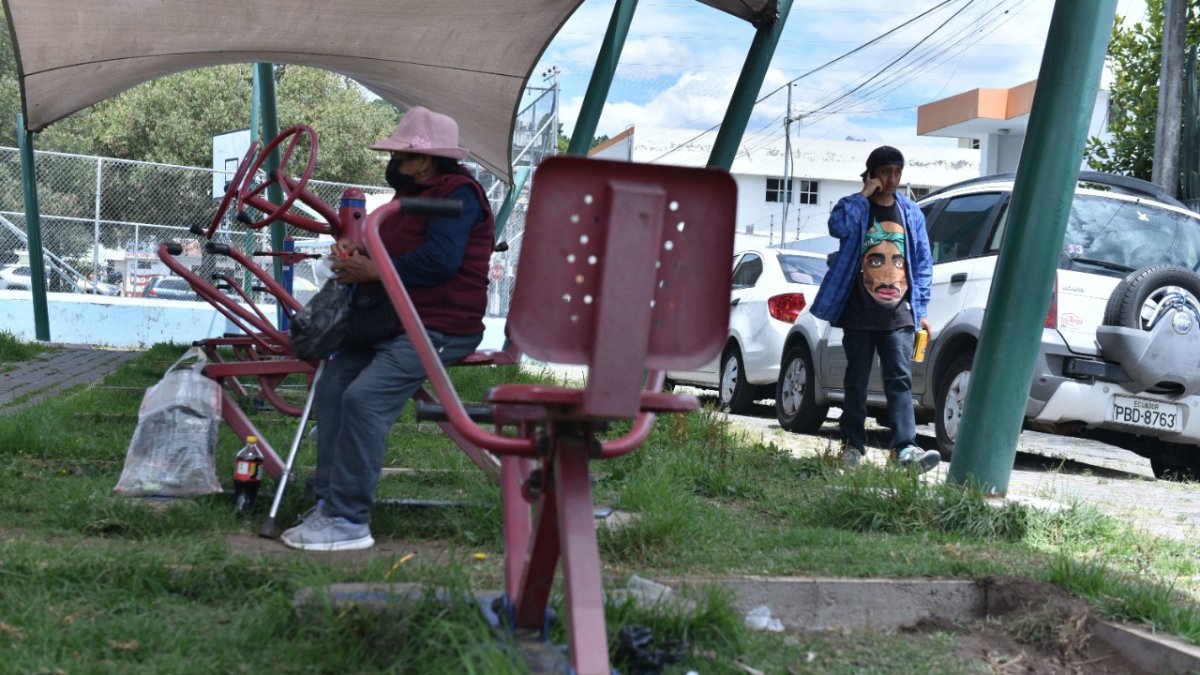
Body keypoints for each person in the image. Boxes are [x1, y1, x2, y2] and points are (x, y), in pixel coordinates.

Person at [281, 107, 495, 551]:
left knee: (364, 398)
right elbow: (387, 251)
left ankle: (348, 520)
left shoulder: (458, 194)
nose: (393, 163)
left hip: (438, 325)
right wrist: (353, 253)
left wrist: (374, 270)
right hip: (393, 322)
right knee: (334, 387)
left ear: (425, 160)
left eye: (401, 156)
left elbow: (440, 261)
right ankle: (328, 504)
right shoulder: (410, 200)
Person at [809, 145, 940, 473]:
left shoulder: (910, 213)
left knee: (900, 378)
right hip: (858, 309)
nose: (893, 179)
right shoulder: (855, 207)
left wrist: (920, 308)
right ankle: (852, 445)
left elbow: (922, 262)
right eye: (885, 172)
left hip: (899, 312)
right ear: (871, 174)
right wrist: (862, 194)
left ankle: (905, 449)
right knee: (856, 379)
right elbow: (837, 227)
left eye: (897, 173)